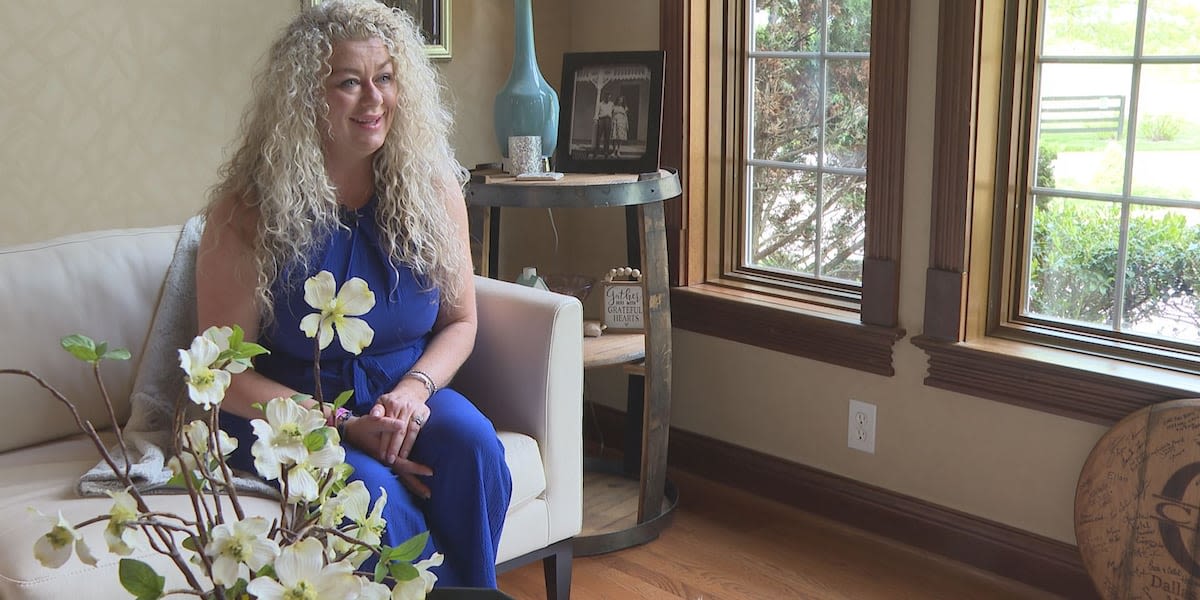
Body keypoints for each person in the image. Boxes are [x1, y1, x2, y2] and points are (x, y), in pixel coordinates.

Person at [194, 0, 512, 589]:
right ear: (304, 98)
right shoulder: (246, 211)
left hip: (406, 390)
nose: (374, 100)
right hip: (290, 411)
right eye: (349, 83)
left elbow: (460, 320)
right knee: (377, 498)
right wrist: (341, 422)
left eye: (385, 78)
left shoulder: (435, 189)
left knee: (474, 449)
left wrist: (413, 394)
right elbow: (225, 374)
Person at [593, 92, 614, 158]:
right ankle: (596, 151)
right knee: (598, 136)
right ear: (604, 96)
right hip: (601, 119)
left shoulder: (611, 104)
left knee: (607, 137)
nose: (607, 98)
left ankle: (606, 152)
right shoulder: (600, 104)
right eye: (606, 96)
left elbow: (613, 112)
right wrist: (596, 120)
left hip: (608, 120)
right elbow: (597, 112)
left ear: (610, 97)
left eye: (609, 97)